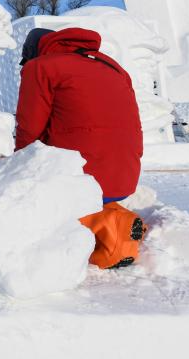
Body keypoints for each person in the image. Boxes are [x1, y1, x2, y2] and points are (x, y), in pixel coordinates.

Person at [15, 27, 146, 269]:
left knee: (36, 208)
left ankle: (108, 225)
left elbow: (29, 129)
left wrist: (19, 170)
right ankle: (108, 213)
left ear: (34, 51)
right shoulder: (115, 68)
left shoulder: (40, 67)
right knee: (90, 195)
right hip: (125, 175)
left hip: (83, 178)